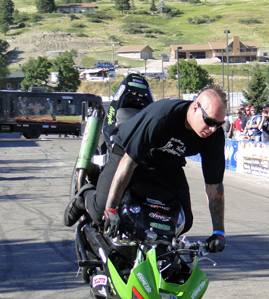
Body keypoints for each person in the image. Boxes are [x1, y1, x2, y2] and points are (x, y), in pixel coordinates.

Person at [64, 84, 228, 254]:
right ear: (195, 108)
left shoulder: (214, 135)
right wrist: (111, 208)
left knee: (183, 221)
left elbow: (214, 185)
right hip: (129, 155)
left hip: (167, 164)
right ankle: (85, 197)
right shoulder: (163, 117)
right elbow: (128, 163)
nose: (213, 129)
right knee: (101, 214)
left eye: (219, 123)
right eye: (209, 121)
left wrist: (219, 232)